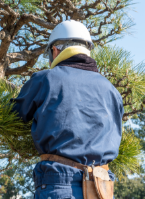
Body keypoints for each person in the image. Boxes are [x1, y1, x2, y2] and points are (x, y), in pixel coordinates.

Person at [10, 20, 123, 199]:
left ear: (55, 50)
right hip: (102, 189)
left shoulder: (45, 79)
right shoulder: (111, 90)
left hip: (60, 184)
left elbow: (13, 116)